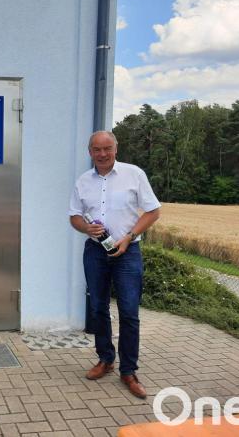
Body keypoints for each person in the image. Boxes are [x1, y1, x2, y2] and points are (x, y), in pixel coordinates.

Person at [68, 130, 161, 399]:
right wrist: (86, 228)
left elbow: (153, 211)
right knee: (98, 308)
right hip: (95, 252)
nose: (102, 154)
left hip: (128, 251)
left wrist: (129, 236)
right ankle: (106, 359)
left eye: (107, 148)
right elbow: (74, 216)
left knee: (129, 312)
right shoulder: (83, 181)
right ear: (90, 152)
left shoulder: (134, 174)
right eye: (97, 149)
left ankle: (129, 371)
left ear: (116, 149)